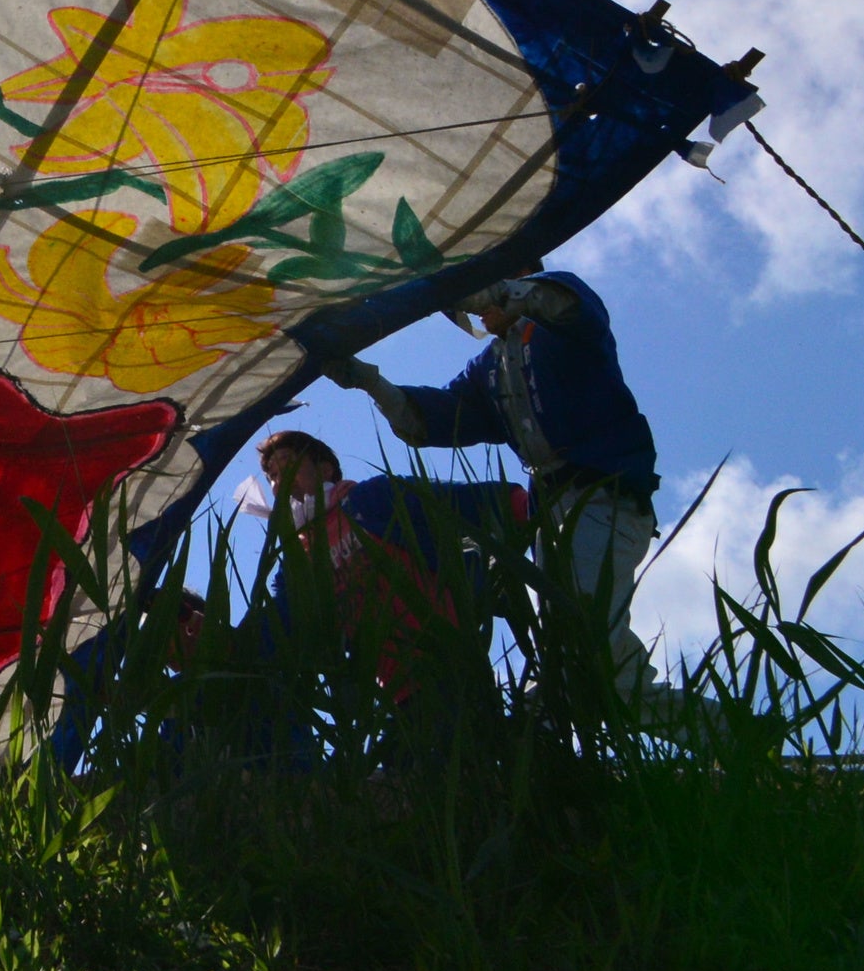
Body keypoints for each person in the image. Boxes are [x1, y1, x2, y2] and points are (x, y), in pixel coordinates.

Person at [316, 270, 666, 700]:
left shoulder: (564, 326)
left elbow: (566, 304)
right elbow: (439, 418)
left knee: (598, 660)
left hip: (603, 498)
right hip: (554, 516)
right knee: (572, 662)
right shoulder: (491, 367)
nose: (477, 314)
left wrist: (500, 289)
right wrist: (371, 382)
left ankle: (734, 735)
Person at [254, 429, 531, 708]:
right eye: (273, 477)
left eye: (288, 464)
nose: (280, 483)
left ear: (325, 469)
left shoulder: (368, 499)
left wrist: (527, 507)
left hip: (450, 660)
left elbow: (452, 501)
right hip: (397, 695)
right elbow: (278, 626)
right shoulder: (297, 559)